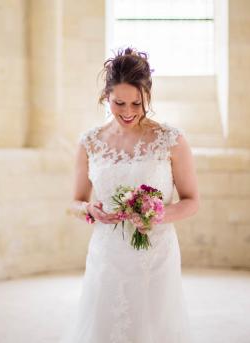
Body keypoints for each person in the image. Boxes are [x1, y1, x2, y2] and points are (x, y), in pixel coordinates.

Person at [62, 47, 199, 343]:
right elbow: (74, 202)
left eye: (136, 103)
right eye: (119, 102)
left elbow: (191, 201)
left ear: (147, 96)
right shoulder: (90, 142)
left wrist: (157, 214)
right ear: (105, 97)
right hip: (107, 252)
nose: (127, 111)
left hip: (155, 254)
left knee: (153, 328)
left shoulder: (171, 140)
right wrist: (89, 209)